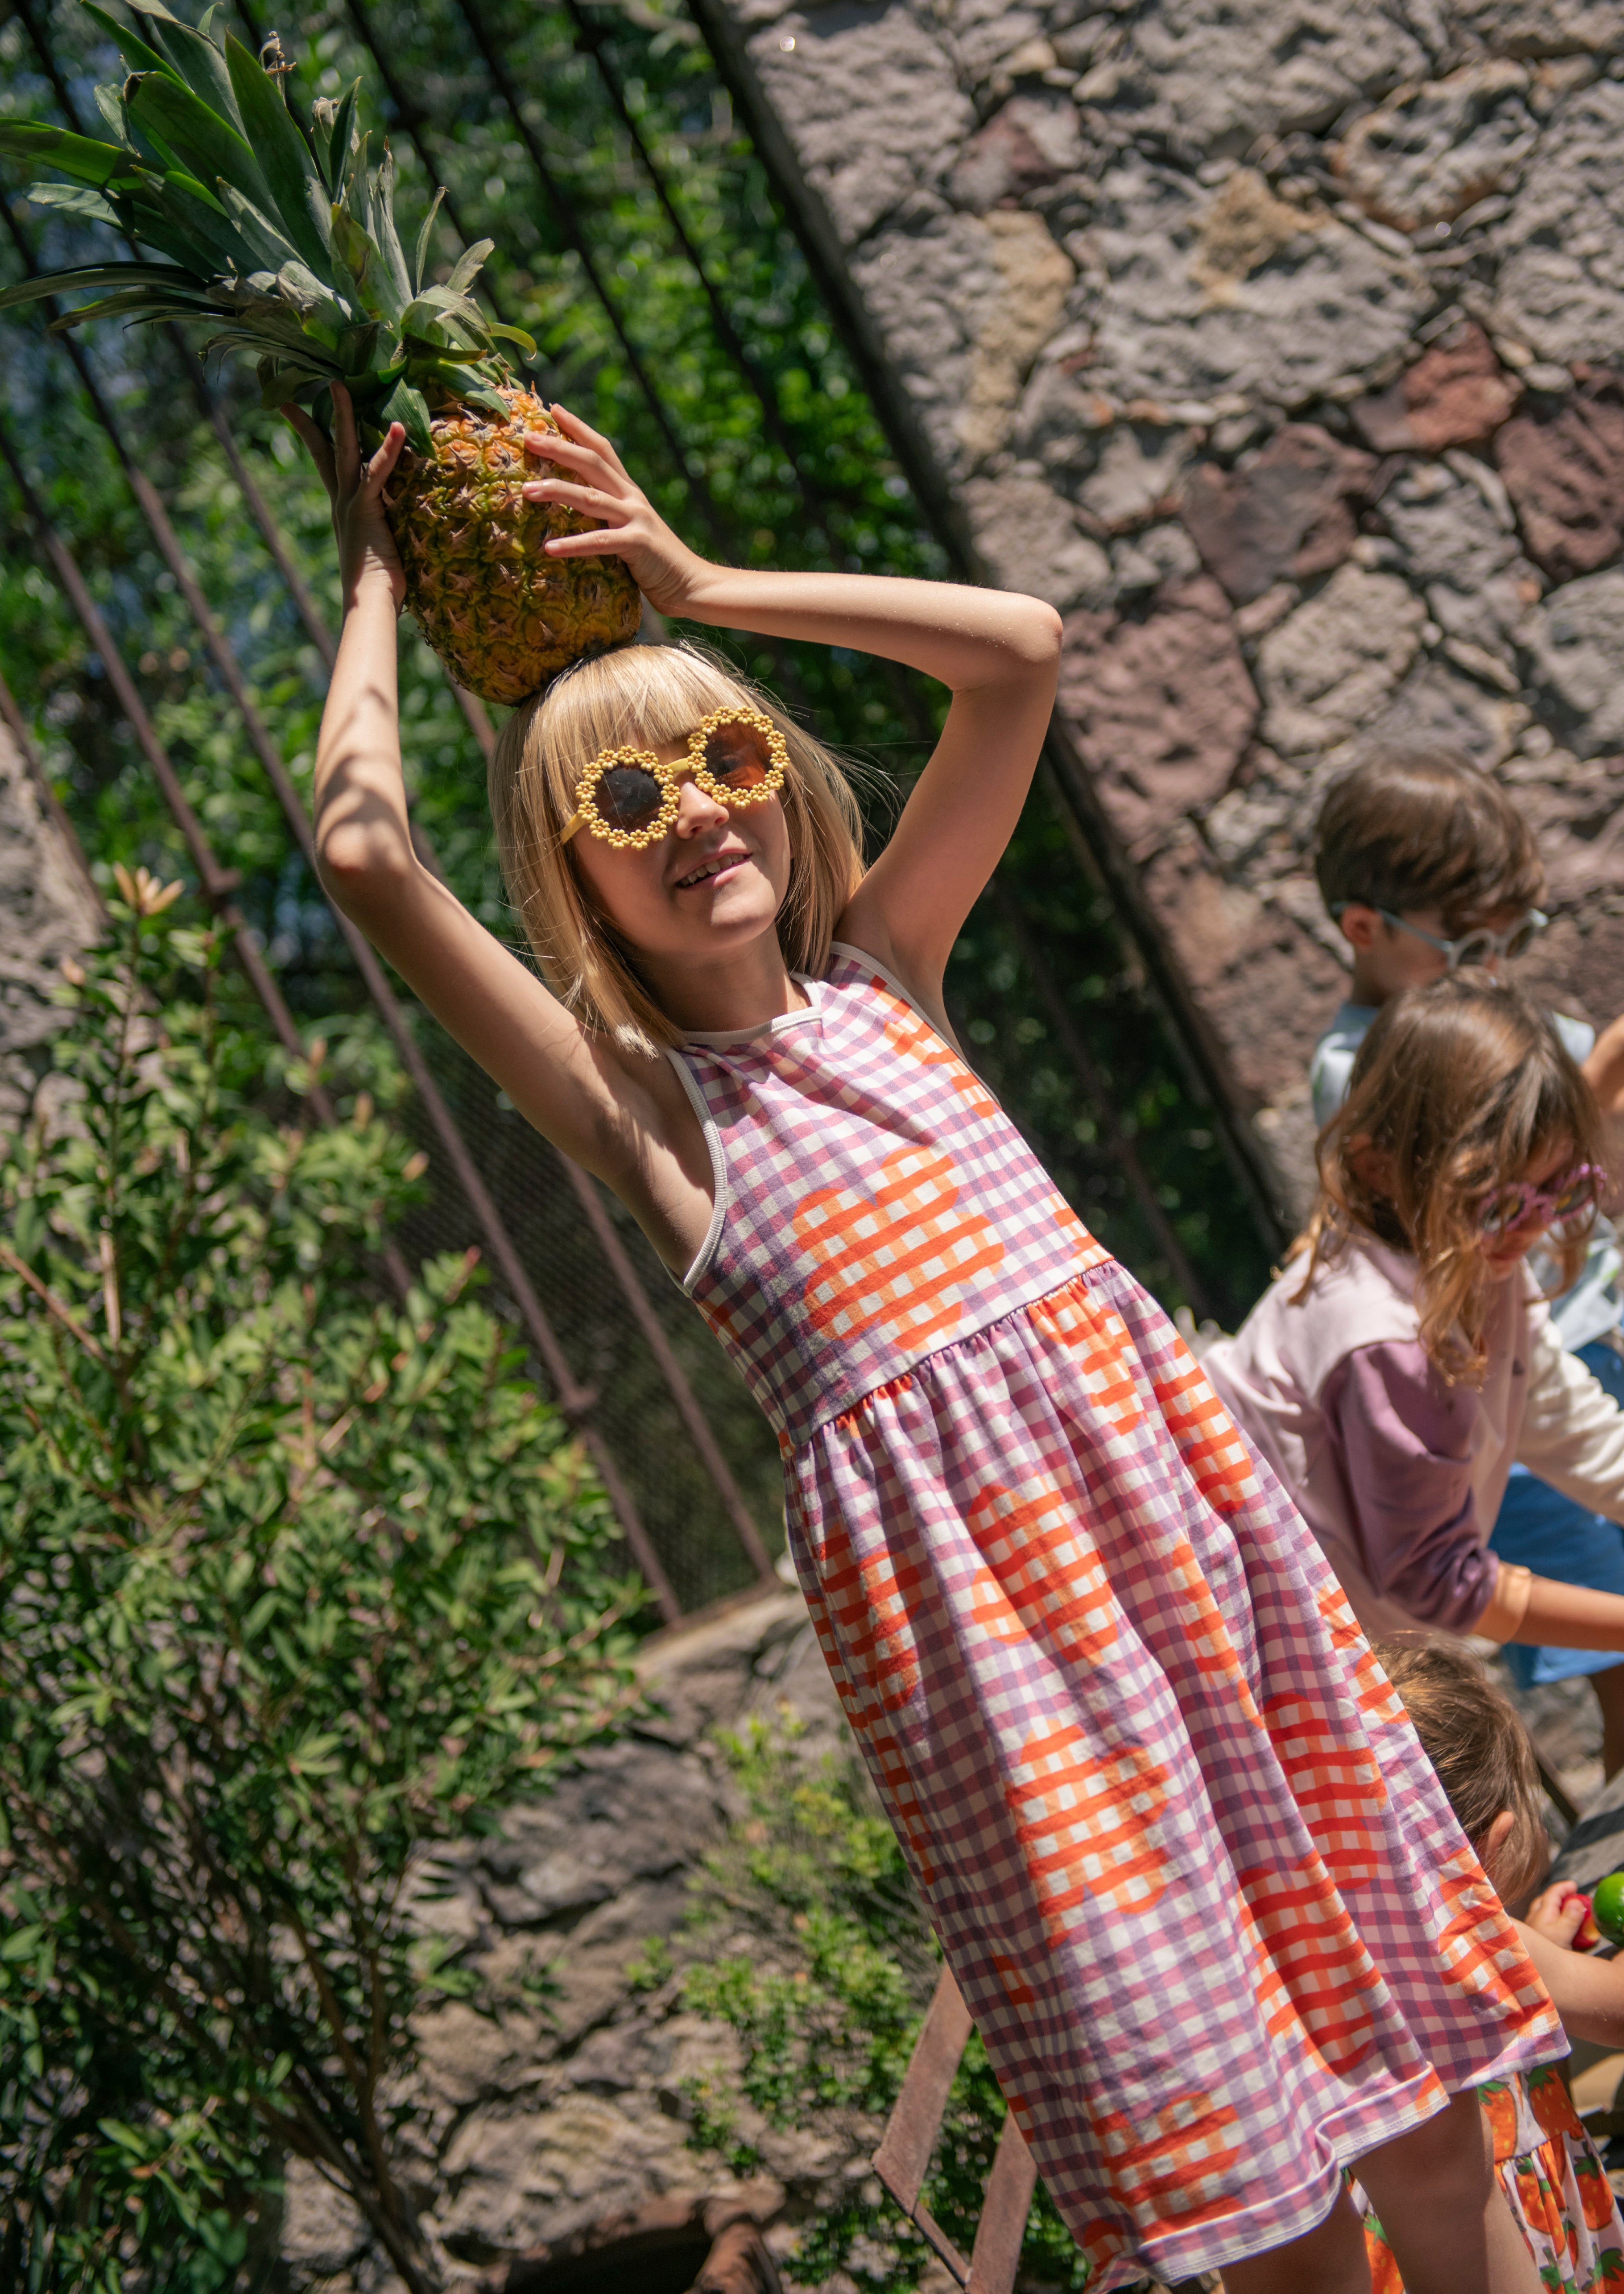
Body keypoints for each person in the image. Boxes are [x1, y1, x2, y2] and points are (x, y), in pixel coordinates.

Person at [289, 385, 1563, 2293]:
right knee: (1257, 2197)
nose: (695, 809)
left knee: (1424, 2124)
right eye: (622, 799)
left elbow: (1019, 654)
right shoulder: (641, 1110)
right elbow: (368, 852)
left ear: (777, 772)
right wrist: (376, 569)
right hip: (1004, 1674)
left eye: (714, 752)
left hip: (1197, 1574)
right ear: (573, 869)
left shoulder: (889, 971)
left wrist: (698, 578)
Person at [1308, 751, 1624, 1765]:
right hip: (1495, 1423)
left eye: (1514, 940)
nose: (1495, 968)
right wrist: (1603, 1071)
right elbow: (1476, 1206)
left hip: (1574, 1355)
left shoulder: (1512, 1020)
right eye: (1472, 944)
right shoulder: (1359, 1077)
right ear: (1366, 929)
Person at [1207, 975, 1624, 1679]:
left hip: (1366, 1632)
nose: (1531, 1228)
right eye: (1498, 1204)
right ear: (1381, 1169)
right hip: (1284, 1650)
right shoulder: (1384, 1338)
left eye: (1560, 1192)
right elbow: (1435, 1577)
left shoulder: (1474, 1260)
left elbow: (1567, 1421)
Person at [1354, 1641, 1624, 2294]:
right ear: (1495, 1845)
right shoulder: (1484, 1946)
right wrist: (1528, 1956)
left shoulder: (1319, 1961)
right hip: (1510, 2255)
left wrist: (1532, 1952)